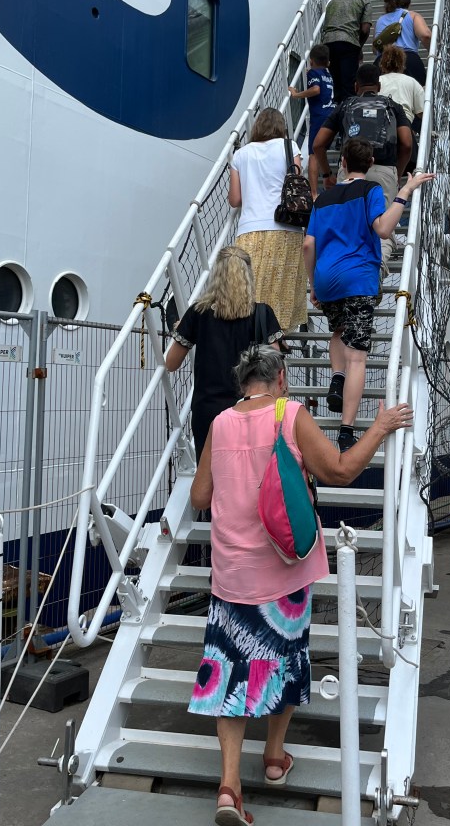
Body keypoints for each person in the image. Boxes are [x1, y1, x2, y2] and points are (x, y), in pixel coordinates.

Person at [188, 344, 413, 824]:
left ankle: (229, 787)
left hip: (231, 575)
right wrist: (380, 427)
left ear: (242, 382)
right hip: (283, 573)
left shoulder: (220, 423)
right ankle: (274, 757)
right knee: (285, 662)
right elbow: (340, 470)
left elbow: (200, 495)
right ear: (281, 379)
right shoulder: (289, 415)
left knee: (230, 673)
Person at [303, 141, 433, 451]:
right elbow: (384, 229)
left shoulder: (322, 200)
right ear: (371, 162)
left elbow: (308, 245)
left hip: (326, 279)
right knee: (357, 356)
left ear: (342, 163)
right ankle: (346, 431)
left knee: (339, 330)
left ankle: (337, 378)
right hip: (358, 278)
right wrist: (406, 190)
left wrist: (314, 285)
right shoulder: (371, 190)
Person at [165, 246, 284, 460]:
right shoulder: (263, 313)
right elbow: (277, 368)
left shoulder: (198, 313)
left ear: (216, 275)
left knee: (210, 474)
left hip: (208, 411)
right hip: (252, 409)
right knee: (253, 471)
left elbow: (171, 363)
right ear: (248, 275)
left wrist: (181, 328)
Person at [311, 63, 414, 277]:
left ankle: (347, 269)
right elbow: (406, 143)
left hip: (349, 172)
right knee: (383, 225)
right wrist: (397, 172)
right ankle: (377, 271)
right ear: (379, 85)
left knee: (349, 224)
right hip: (384, 170)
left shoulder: (345, 105)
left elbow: (318, 144)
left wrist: (327, 174)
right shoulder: (392, 106)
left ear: (356, 86)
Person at [229, 108, 307, 332]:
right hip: (285, 227)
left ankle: (249, 336)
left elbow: (235, 199)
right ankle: (275, 339)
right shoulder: (290, 147)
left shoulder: (240, 155)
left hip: (249, 230)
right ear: (281, 127)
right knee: (281, 291)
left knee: (249, 289)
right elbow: (296, 185)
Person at [288, 43, 335, 199]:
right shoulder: (328, 74)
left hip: (319, 116)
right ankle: (329, 177)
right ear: (328, 62)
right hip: (331, 114)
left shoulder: (313, 73)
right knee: (321, 150)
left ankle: (314, 194)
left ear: (311, 61)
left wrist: (296, 94)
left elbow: (315, 89)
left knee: (313, 154)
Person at [321, 0, 372, 103]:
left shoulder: (333, 2)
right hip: (348, 42)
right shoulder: (365, 1)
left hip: (328, 43)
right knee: (349, 85)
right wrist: (359, 47)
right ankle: (349, 112)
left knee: (336, 84)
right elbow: (365, 29)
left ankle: (338, 109)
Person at [378, 44, 425, 173]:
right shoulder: (411, 82)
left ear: (382, 63)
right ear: (402, 63)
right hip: (404, 128)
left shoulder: (377, 81)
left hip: (380, 129)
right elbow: (422, 113)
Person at [373, 0, 431, 86]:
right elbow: (425, 35)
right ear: (407, 2)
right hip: (408, 60)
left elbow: (375, 49)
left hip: (383, 61)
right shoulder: (413, 16)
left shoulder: (380, 20)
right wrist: (433, 51)